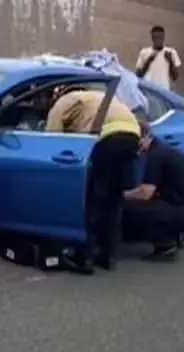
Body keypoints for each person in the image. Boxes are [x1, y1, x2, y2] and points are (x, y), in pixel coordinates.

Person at [45, 86, 141, 273]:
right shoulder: (97, 97)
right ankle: (109, 256)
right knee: (114, 200)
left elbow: (51, 137)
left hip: (107, 138)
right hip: (132, 134)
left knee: (95, 200)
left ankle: (86, 257)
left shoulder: (64, 102)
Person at [123, 119, 184, 259]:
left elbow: (145, 193)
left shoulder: (155, 155)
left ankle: (164, 244)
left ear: (145, 137)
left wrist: (120, 195)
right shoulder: (164, 149)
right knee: (155, 203)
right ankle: (172, 237)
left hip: (182, 211)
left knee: (127, 208)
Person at [135, 25, 181, 90]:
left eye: (160, 38)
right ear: (152, 38)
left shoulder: (171, 52)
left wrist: (170, 61)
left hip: (163, 91)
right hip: (148, 89)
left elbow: (175, 77)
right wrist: (148, 61)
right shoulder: (144, 52)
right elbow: (138, 75)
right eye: (155, 37)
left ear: (163, 37)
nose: (157, 40)